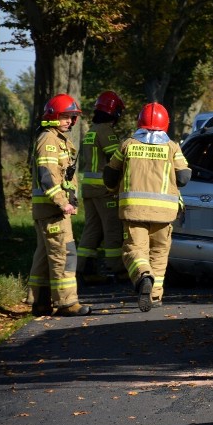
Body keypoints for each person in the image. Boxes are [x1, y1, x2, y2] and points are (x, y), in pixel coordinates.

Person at [103, 102, 191, 312]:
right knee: (160, 252)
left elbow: (110, 175)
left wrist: (113, 187)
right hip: (164, 213)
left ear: (139, 122)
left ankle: (143, 276)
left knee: (135, 250)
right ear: (165, 123)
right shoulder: (172, 147)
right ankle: (155, 295)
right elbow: (184, 176)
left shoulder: (127, 144)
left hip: (133, 211)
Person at [28, 93, 92, 316]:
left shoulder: (58, 139)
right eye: (65, 116)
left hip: (49, 209)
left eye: (72, 117)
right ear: (53, 116)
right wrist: (62, 202)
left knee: (46, 256)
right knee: (64, 254)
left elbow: (63, 176)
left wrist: (70, 198)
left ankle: (40, 302)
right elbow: (47, 176)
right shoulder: (49, 140)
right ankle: (67, 303)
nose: (70, 121)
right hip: (53, 210)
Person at [77, 91, 126, 284]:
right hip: (104, 189)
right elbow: (117, 159)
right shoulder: (105, 130)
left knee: (92, 229)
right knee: (112, 228)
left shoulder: (91, 130)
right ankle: (118, 269)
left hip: (89, 188)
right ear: (114, 112)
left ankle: (83, 270)